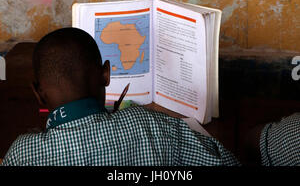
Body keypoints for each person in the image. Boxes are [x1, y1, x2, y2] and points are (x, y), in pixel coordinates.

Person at [1, 27, 240, 166]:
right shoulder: (150, 126)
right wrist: (174, 120)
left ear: (38, 94)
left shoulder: (23, 154)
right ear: (106, 74)